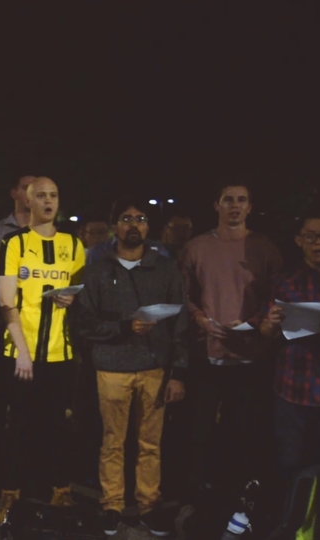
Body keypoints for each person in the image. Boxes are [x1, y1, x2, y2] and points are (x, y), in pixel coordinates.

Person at [77, 199, 188, 537]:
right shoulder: (98, 271)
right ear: (115, 227)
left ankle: (148, 505)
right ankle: (111, 505)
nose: (133, 225)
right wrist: (124, 328)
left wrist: (179, 372)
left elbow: (179, 323)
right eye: (126, 219)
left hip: (154, 366)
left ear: (148, 227)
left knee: (150, 443)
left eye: (140, 219)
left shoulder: (165, 269)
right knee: (112, 441)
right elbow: (84, 323)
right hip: (111, 367)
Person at [0, 176, 85, 524]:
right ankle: (11, 496)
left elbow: (79, 290)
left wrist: (72, 297)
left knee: (57, 426)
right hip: (22, 353)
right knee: (19, 426)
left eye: (54, 195)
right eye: (41, 196)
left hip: (61, 353)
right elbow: (6, 303)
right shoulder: (13, 243)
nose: (48, 201)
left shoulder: (73, 245)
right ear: (27, 201)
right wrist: (23, 351)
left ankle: (59, 491)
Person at [181, 183, 283, 493]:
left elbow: (277, 296)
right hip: (207, 355)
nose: (235, 206)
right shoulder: (196, 248)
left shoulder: (265, 249)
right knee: (201, 430)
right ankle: (199, 493)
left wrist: (251, 322)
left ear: (250, 207)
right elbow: (181, 295)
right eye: (228, 200)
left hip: (251, 356)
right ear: (216, 205)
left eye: (241, 200)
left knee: (246, 431)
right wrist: (199, 318)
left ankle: (241, 493)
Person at [260, 208, 320, 497]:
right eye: (311, 236)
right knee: (290, 466)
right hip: (293, 389)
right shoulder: (285, 281)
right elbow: (266, 332)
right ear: (299, 240)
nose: (319, 243)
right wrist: (271, 323)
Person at [0, 175, 35, 266]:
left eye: (35, 189)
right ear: (14, 193)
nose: (31, 192)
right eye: (26, 188)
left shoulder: (49, 232)